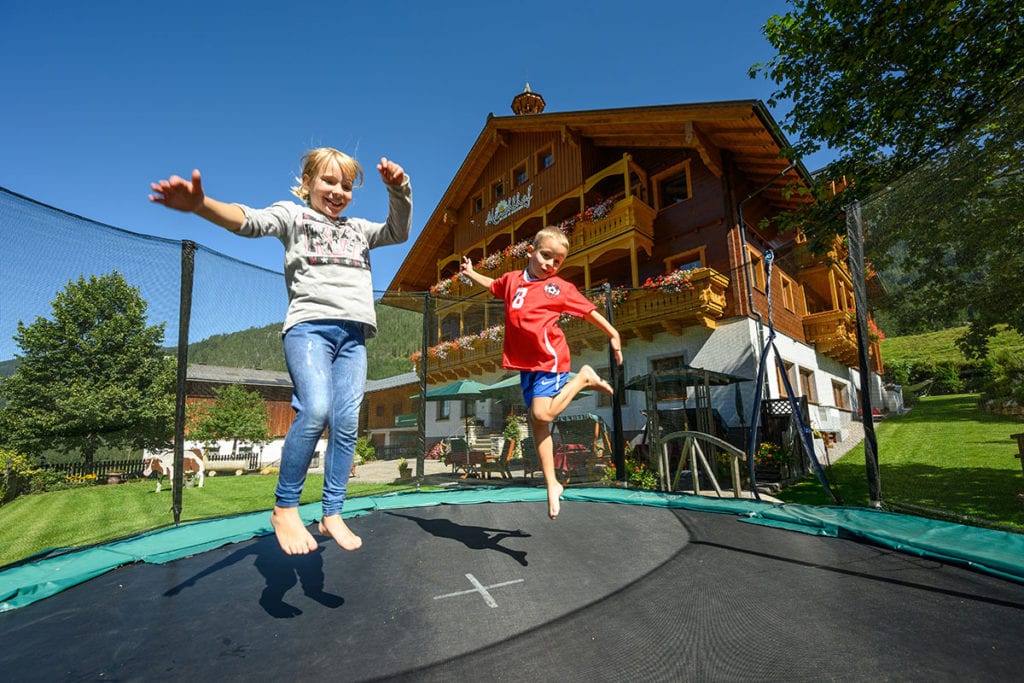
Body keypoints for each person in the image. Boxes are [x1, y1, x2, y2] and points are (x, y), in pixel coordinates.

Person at [149, 148, 412, 555]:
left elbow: (398, 230)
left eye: (346, 185)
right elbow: (248, 220)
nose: (338, 191)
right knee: (316, 409)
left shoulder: (358, 229)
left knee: (345, 423)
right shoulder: (294, 216)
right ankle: (285, 508)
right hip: (309, 330)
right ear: (306, 183)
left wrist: (399, 190)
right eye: (328, 181)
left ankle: (332, 512)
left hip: (354, 337)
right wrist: (202, 205)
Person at [460, 226, 622, 519]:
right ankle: (552, 484)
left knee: (542, 415)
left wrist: (613, 333)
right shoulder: (511, 281)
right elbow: (493, 284)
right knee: (537, 425)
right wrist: (472, 275)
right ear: (531, 251)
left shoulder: (558, 287)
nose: (550, 264)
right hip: (527, 366)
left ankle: (583, 377)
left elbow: (588, 310)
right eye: (546, 256)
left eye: (557, 261)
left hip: (551, 358)